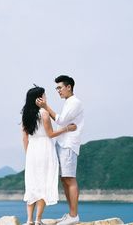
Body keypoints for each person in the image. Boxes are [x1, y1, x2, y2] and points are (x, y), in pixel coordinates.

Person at [21, 86, 77, 225]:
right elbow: (50, 134)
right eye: (44, 95)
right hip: (45, 149)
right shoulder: (44, 113)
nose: (46, 97)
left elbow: (24, 138)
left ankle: (29, 220)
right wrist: (67, 128)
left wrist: (28, 154)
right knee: (43, 183)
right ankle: (38, 219)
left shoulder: (25, 115)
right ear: (39, 98)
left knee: (32, 184)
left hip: (32, 151)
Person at [36, 75, 84, 225]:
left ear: (69, 87)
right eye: (56, 88)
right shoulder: (68, 102)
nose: (58, 91)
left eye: (60, 87)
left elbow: (61, 120)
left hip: (69, 144)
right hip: (62, 143)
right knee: (65, 179)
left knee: (70, 179)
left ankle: (74, 216)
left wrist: (45, 106)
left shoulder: (75, 102)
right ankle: (71, 214)